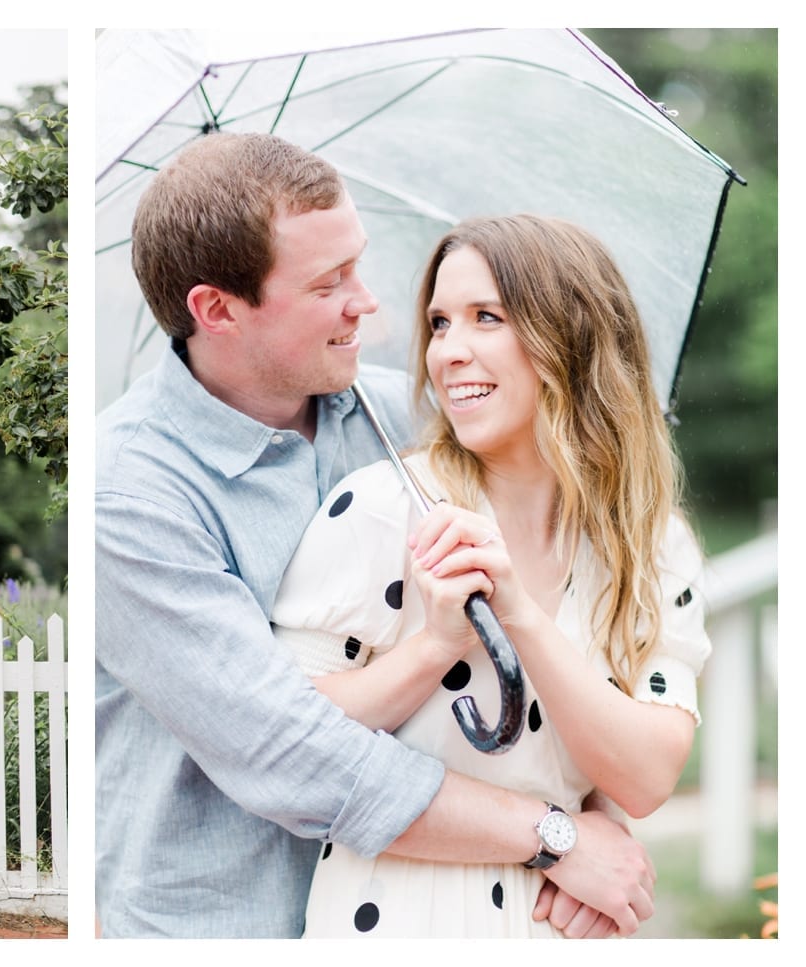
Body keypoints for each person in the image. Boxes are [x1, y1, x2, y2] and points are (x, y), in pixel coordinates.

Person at [95, 132, 656, 938]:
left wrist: (596, 812)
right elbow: (292, 755)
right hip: (227, 924)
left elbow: (543, 618)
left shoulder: (405, 417)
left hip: (422, 913)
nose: (371, 304)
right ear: (216, 310)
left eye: (357, 263)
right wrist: (555, 837)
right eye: (330, 283)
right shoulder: (131, 492)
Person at [271, 213, 710, 937]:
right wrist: (436, 645)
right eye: (440, 323)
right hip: (397, 918)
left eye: (486, 318)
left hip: (560, 920)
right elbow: (292, 742)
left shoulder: (650, 541)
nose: (449, 351)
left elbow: (647, 774)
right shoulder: (385, 511)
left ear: (568, 335)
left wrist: (521, 618)